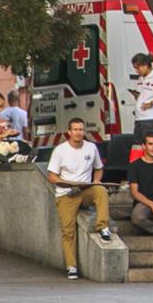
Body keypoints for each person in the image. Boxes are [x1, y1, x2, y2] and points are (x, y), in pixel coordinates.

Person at [48, 117, 113, 280]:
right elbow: (52, 176)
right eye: (75, 130)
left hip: (85, 189)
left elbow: (99, 168)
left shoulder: (91, 147)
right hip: (66, 193)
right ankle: (72, 266)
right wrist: (68, 184)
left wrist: (96, 181)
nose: (78, 133)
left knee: (101, 190)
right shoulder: (60, 150)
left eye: (81, 130)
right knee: (68, 231)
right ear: (69, 132)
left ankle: (103, 227)